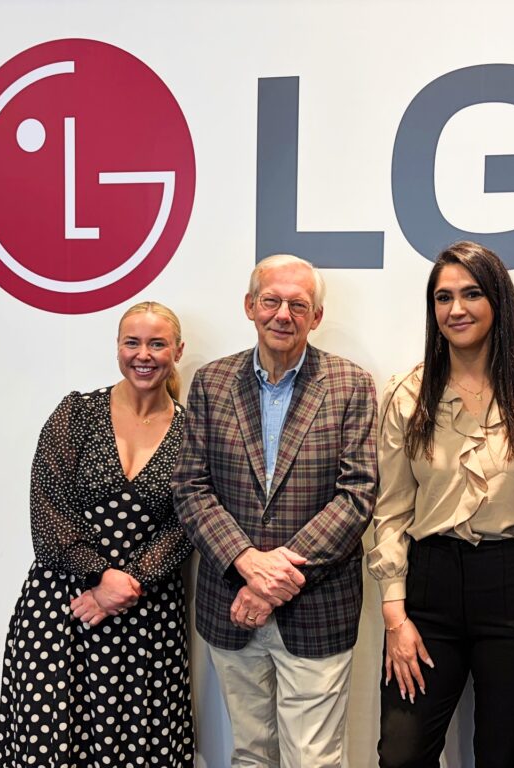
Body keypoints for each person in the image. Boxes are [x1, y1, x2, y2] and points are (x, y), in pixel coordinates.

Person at [172, 254, 377, 767]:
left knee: (314, 758)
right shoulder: (212, 384)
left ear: (317, 316)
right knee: (251, 753)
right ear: (250, 306)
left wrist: (273, 577)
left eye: (298, 304)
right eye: (271, 301)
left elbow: (357, 495)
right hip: (230, 604)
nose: (283, 314)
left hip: (316, 607)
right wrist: (247, 563)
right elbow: (191, 489)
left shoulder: (351, 384)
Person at [369, 241, 514, 767]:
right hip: (431, 588)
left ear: (498, 299)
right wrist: (394, 614)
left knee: (506, 754)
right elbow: (391, 512)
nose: (456, 309)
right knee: (401, 756)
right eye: (443, 297)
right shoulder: (408, 396)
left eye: (472, 293)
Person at [0, 301, 195, 768]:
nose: (143, 354)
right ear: (117, 347)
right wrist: (98, 577)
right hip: (62, 610)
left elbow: (189, 521)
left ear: (178, 351)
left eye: (157, 343)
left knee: (135, 748)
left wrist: (127, 584)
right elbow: (46, 509)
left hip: (148, 618)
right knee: (51, 747)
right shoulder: (76, 413)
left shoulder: (193, 431)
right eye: (132, 342)